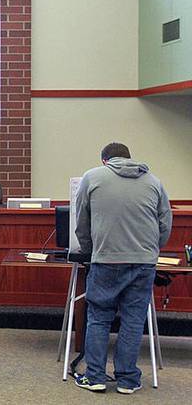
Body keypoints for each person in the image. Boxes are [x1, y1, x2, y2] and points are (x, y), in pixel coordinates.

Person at [74, 142, 172, 395]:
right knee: (133, 320)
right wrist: (150, 250)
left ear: (104, 160)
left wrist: (89, 249)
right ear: (129, 158)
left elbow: (82, 220)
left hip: (106, 259)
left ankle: (95, 376)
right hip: (144, 262)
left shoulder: (93, 177)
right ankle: (128, 379)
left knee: (98, 317)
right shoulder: (153, 181)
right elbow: (165, 224)